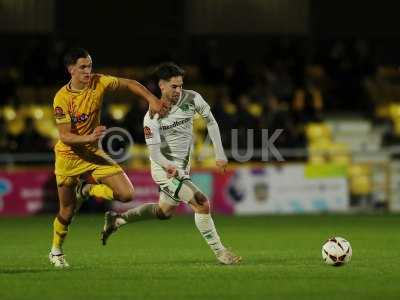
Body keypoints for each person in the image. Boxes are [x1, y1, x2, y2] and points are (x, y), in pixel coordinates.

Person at [101, 62, 241, 265]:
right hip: (164, 170)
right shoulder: (152, 117)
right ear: (162, 86)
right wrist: (168, 166)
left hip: (181, 168)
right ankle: (221, 253)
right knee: (201, 203)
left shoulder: (192, 98)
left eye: (180, 85)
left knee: (163, 212)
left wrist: (220, 154)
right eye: (174, 86)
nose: (178, 90)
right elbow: (155, 154)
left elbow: (211, 121)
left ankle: (118, 220)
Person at [49, 48, 166, 268]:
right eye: (82, 67)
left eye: (90, 66)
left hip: (93, 153)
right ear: (71, 69)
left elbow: (130, 84)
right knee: (67, 210)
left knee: (127, 194)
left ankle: (86, 190)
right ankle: (56, 251)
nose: (88, 71)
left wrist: (152, 99)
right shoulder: (61, 98)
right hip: (67, 158)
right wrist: (89, 137)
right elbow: (64, 136)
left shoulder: (99, 82)